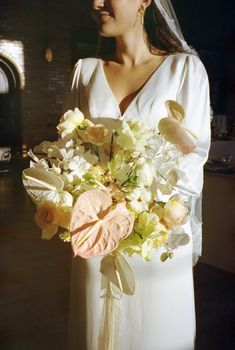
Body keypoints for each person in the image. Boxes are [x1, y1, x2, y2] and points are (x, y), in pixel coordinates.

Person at [63, 0, 211, 349]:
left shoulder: (184, 70)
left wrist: (142, 212)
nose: (96, 3)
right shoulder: (84, 71)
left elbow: (194, 156)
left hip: (154, 236)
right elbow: (67, 152)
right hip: (95, 235)